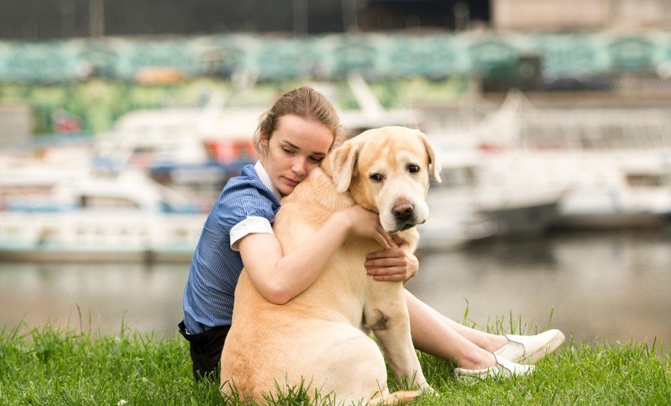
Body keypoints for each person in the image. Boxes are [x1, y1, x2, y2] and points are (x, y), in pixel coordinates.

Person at [179, 86, 564, 382]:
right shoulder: (246, 201)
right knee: (370, 284)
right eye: (287, 150)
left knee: (373, 277)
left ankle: (489, 347)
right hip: (231, 349)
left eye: (316, 159)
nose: (299, 168)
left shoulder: (298, 198)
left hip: (276, 336)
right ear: (262, 138)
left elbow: (349, 273)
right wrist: (345, 223)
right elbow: (276, 284)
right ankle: (477, 357)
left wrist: (405, 263)